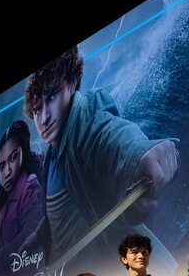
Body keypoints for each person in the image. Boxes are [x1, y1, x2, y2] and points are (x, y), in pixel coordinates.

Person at [24, 46, 179, 263]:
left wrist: (139, 157)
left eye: (51, 96)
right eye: (37, 109)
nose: (43, 118)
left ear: (71, 82)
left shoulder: (83, 122)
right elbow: (60, 208)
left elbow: (107, 136)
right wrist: (39, 235)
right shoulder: (52, 154)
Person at [0, 120, 47, 276]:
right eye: (1, 166)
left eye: (13, 157)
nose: (7, 172)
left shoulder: (31, 186)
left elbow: (29, 234)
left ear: (23, 154)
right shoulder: (6, 200)